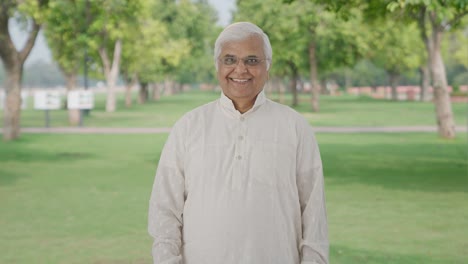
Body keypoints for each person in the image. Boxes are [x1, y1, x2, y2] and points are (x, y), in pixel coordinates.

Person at [148, 21, 329, 264]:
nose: (240, 70)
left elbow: (314, 215)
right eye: (230, 60)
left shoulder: (294, 127)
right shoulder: (189, 127)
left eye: (252, 60)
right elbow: (164, 211)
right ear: (217, 66)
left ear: (268, 66)